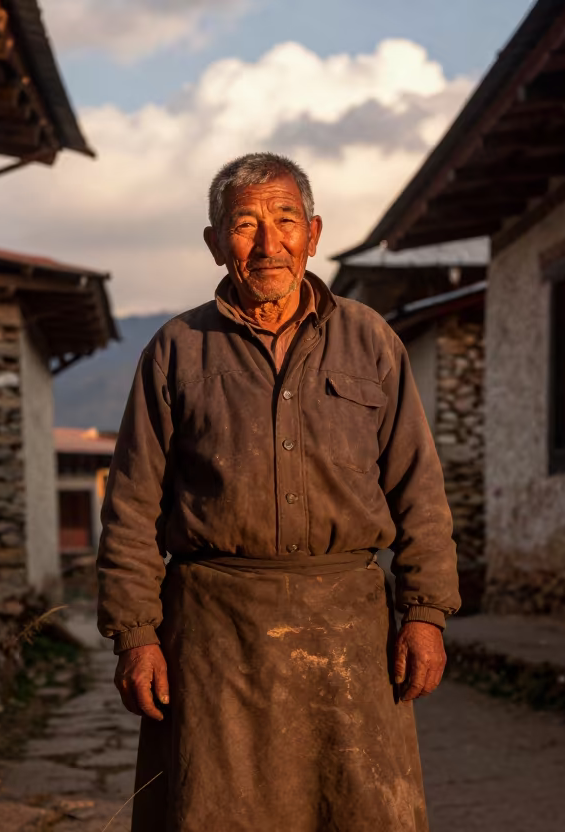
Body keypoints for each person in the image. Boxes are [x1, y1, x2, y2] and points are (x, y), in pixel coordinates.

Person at [97, 151, 460, 832]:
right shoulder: (176, 350)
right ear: (214, 244)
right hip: (215, 636)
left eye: (286, 219)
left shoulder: (371, 342)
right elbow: (132, 506)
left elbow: (420, 490)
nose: (269, 244)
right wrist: (136, 635)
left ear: (314, 234)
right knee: (217, 812)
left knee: (360, 813)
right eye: (244, 224)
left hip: (350, 630)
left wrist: (426, 613)